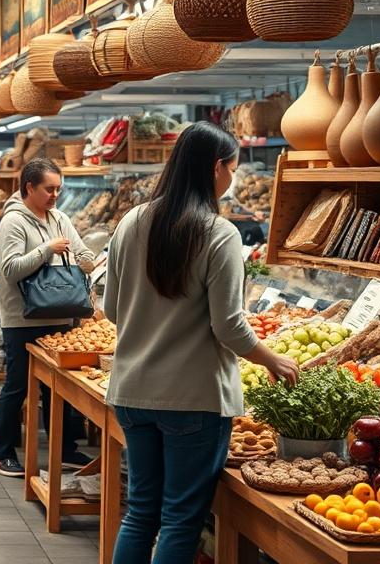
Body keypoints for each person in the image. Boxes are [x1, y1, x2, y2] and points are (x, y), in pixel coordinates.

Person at [105, 123, 299, 563]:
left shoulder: (132, 221)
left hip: (132, 392)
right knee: (180, 519)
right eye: (233, 168)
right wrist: (273, 360)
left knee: (140, 513)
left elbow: (112, 310)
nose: (233, 178)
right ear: (217, 169)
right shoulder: (219, 233)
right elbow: (229, 326)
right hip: (193, 400)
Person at [0, 158, 94, 477]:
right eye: (49, 189)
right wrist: (47, 249)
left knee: (57, 388)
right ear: (29, 188)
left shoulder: (60, 218)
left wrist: (87, 259)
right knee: (18, 386)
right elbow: (9, 270)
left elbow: (84, 254)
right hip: (24, 319)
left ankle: (63, 450)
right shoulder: (13, 222)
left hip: (62, 315)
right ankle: (2, 453)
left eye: (59, 189)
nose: (55, 195)